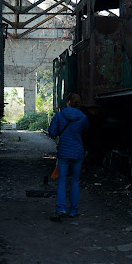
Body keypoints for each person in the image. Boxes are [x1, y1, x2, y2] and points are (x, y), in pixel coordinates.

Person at [47, 92, 89, 221]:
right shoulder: (83, 117)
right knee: (75, 181)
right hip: (77, 152)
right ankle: (74, 210)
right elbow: (85, 132)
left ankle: (61, 208)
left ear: (68, 101)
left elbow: (52, 132)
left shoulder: (60, 115)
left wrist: (60, 133)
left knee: (62, 181)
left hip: (64, 152)